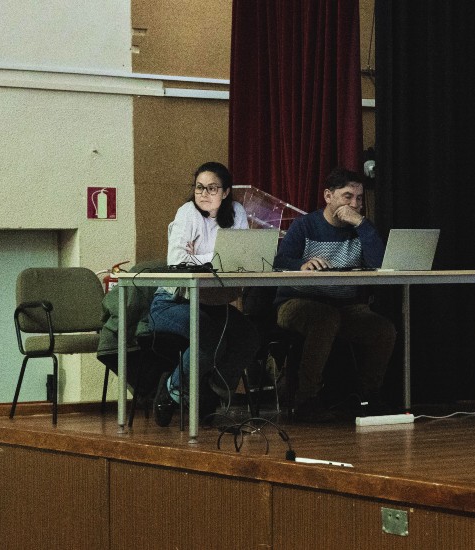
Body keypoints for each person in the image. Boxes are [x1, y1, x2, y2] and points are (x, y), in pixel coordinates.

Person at [272, 167, 396, 423]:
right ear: (328, 196)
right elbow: (278, 260)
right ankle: (307, 399)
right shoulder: (305, 225)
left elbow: (380, 264)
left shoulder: (362, 229)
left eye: (360, 198)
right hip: (296, 301)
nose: (355, 204)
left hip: (347, 305)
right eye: (347, 196)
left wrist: (362, 224)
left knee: (384, 330)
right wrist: (301, 265)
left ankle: (369, 396)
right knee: (325, 319)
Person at [150, 161, 261, 426]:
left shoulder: (236, 211)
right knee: (208, 336)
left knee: (249, 336)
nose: (204, 193)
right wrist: (217, 257)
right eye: (199, 187)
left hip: (211, 302)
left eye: (212, 188)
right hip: (172, 301)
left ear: (225, 192)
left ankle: (213, 389)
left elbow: (241, 257)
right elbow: (176, 259)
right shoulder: (187, 212)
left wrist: (198, 255)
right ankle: (171, 390)